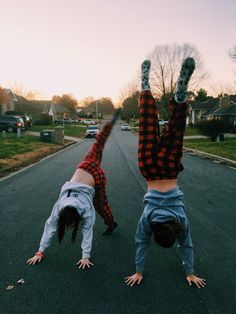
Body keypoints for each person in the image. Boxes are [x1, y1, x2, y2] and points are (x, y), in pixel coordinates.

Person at [125, 58, 206, 288]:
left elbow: (186, 245)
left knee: (176, 130)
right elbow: (141, 243)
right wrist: (138, 272)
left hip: (169, 170)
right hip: (149, 169)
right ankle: (144, 84)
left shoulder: (181, 219)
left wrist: (190, 272)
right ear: (155, 231)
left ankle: (180, 99)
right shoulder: (148, 219)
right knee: (148, 123)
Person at [27, 111, 120, 269]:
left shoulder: (86, 212)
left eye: (70, 226)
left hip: (96, 176)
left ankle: (111, 224)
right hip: (84, 165)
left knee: (101, 206)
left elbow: (87, 231)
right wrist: (39, 252)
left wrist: (86, 256)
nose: (70, 228)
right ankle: (108, 125)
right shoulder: (59, 209)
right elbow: (50, 227)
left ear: (77, 218)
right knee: (98, 144)